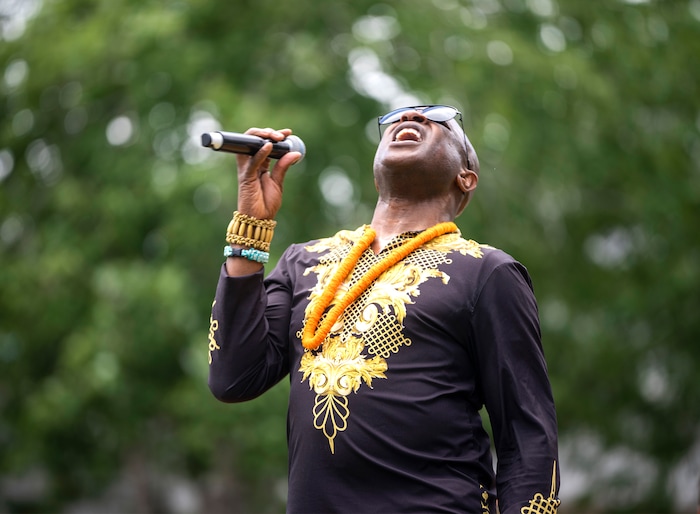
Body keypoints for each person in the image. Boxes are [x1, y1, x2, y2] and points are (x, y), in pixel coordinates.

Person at [207, 105, 560, 514]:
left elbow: (528, 434)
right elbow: (233, 378)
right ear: (376, 173)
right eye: (399, 116)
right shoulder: (304, 261)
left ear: (466, 177)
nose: (410, 117)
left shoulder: (487, 271)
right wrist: (251, 225)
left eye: (437, 119)